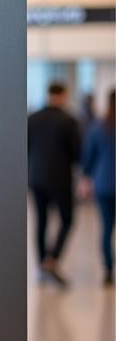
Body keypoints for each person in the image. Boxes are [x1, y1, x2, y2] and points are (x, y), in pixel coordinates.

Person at [28, 81, 81, 286]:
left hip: (36, 177)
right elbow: (77, 154)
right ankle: (52, 260)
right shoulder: (68, 121)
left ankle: (42, 264)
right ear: (64, 95)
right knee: (67, 219)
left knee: (41, 221)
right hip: (60, 179)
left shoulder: (32, 119)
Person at [81, 88, 115, 286]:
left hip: (103, 184)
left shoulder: (98, 126)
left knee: (107, 228)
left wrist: (86, 177)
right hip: (105, 184)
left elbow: (88, 157)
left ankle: (108, 270)